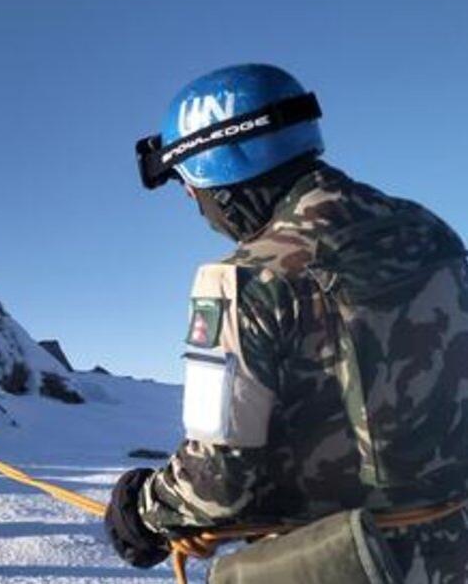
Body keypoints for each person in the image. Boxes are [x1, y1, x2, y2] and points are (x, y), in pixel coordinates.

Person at [108, 64, 468, 581]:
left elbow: (219, 481)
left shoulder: (245, 278)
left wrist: (143, 511)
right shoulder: (431, 233)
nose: (193, 202)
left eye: (188, 184)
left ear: (217, 171)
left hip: (342, 563)